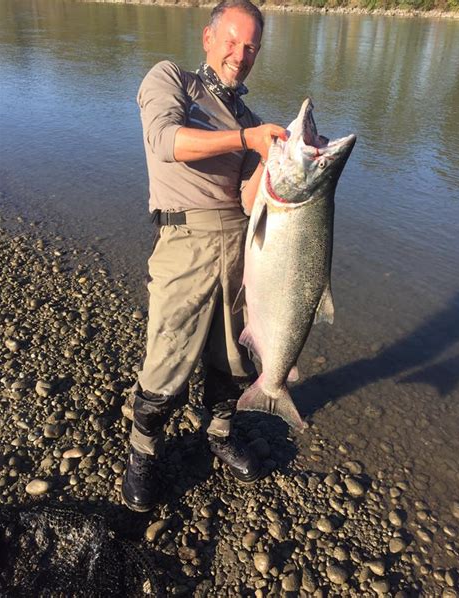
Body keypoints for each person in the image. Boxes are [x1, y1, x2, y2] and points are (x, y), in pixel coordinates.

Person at [121, 0, 287, 512]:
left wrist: (278, 163)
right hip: (183, 240)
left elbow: (245, 200)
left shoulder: (249, 119)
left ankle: (219, 431)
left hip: (241, 245)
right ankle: (143, 452)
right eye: (233, 41)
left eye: (251, 46)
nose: (241, 54)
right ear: (208, 38)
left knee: (234, 356)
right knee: (167, 358)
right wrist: (244, 139)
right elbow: (165, 141)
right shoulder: (171, 79)